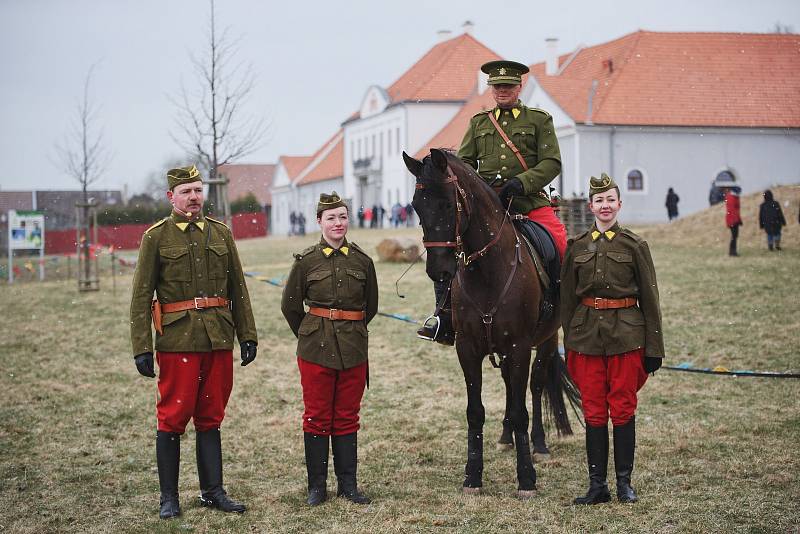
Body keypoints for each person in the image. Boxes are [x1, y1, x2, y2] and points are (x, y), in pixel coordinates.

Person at [129, 165, 258, 519]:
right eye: (186, 191)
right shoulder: (156, 237)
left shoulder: (221, 234)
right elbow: (141, 295)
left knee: (210, 417)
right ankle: (168, 497)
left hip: (218, 338)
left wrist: (247, 335)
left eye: (198, 190)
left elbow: (238, 290)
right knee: (172, 418)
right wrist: (142, 346)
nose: (194, 197)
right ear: (171, 196)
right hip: (178, 340)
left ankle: (213, 491)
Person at [417, 59, 565, 345]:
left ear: (519, 87)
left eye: (508, 86)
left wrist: (522, 183)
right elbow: (465, 165)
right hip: (487, 209)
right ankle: (444, 318)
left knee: (560, 244)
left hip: (529, 204)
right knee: (449, 248)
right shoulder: (479, 123)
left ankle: (560, 308)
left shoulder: (538, 119)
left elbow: (551, 162)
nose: (502, 91)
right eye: (497, 86)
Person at [560, 173, 664, 506]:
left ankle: (624, 484)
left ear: (619, 204)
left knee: (622, 408)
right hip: (586, 338)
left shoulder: (634, 245)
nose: (605, 206)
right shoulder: (576, 247)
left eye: (610, 200)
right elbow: (566, 299)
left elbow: (650, 299)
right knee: (593, 410)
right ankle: (596, 486)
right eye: (599, 201)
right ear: (591, 206)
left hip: (626, 337)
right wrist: (569, 341)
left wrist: (654, 348)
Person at [281, 191, 379, 506]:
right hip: (315, 350)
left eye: (342, 216)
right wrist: (311, 332)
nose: (338, 223)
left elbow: (371, 307)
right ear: (319, 222)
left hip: (353, 347)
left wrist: (348, 328)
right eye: (331, 217)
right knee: (317, 417)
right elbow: (291, 306)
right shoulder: (306, 261)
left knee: (347, 416)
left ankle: (348, 486)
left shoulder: (362, 261)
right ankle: (317, 487)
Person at [725, 188, 743, 256]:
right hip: (732, 220)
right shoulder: (731, 197)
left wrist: (738, 220)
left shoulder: (734, 197)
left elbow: (736, 210)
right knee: (734, 236)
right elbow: (732, 210)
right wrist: (736, 220)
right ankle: (732, 252)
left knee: (735, 236)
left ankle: (733, 251)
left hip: (734, 219)